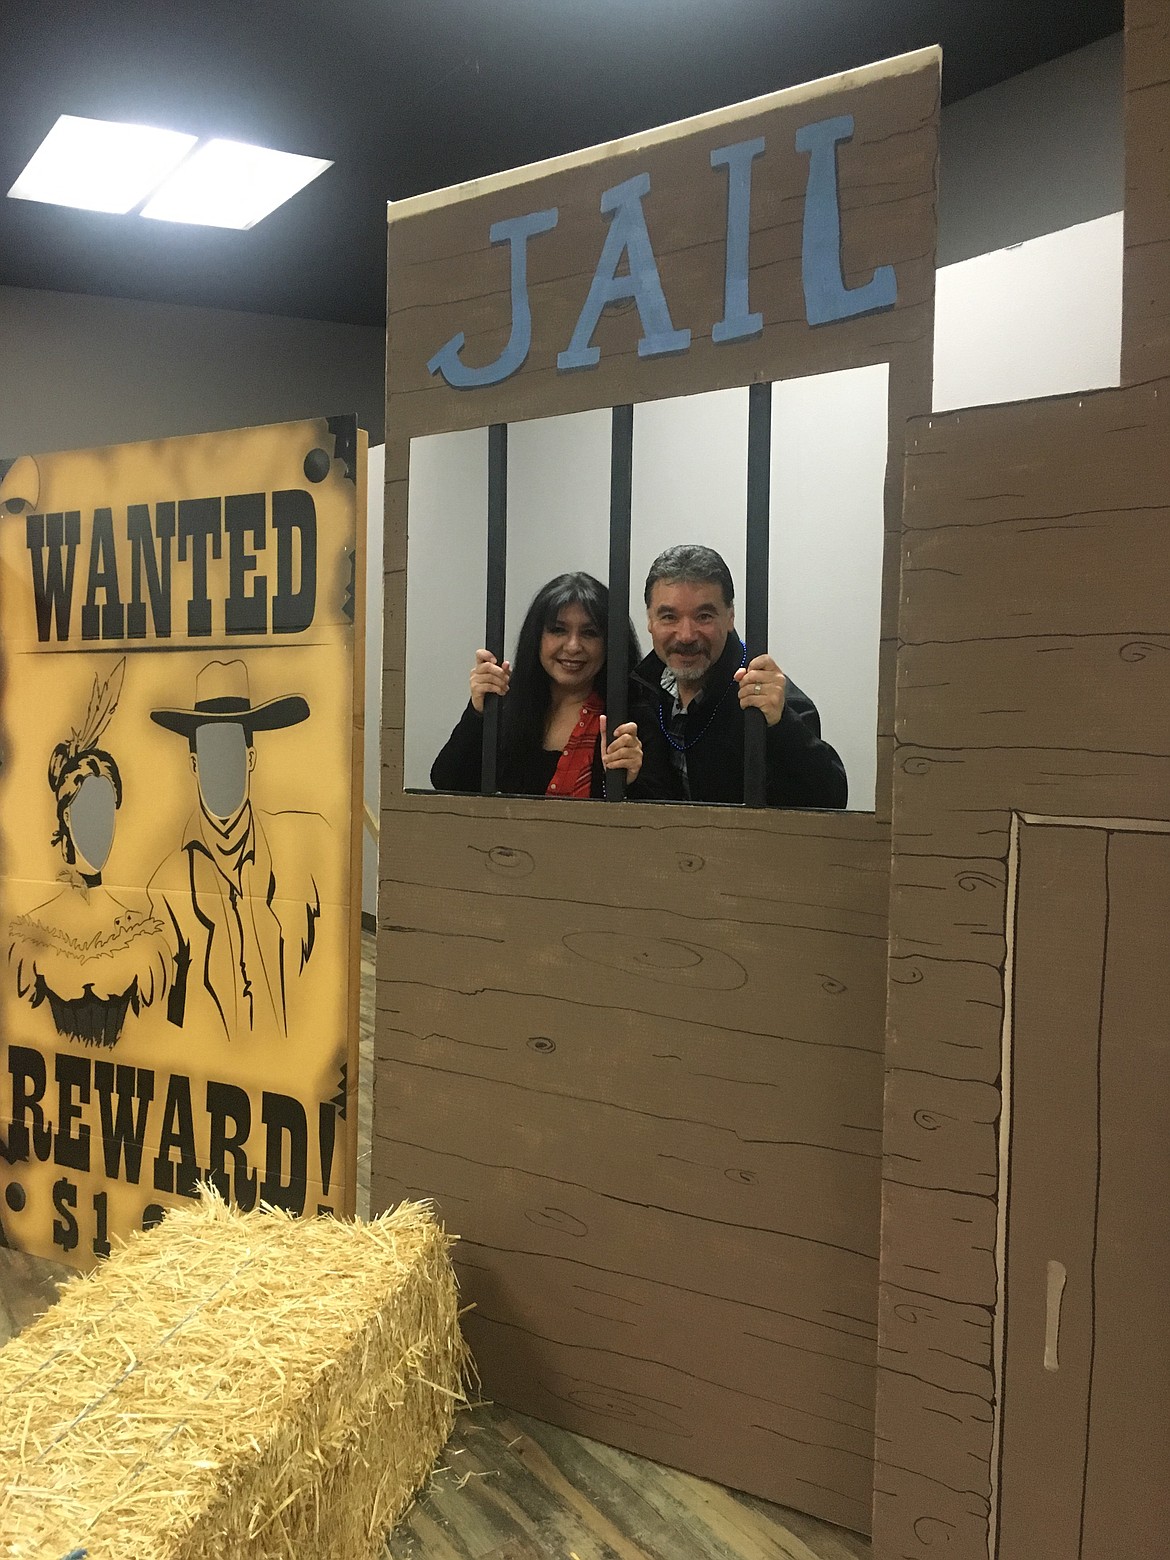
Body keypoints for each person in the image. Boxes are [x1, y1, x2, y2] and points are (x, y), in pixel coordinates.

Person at [147, 659, 327, 1039]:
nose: (222, 767)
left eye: (231, 752)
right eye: (211, 754)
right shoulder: (166, 885)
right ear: (194, 764)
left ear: (250, 759)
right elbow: (170, 1016)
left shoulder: (305, 845)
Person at [6, 658, 170, 1047]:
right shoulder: (29, 936)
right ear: (65, 817)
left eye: (106, 812)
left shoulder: (143, 938)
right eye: (86, 810)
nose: (100, 828)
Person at [630, 544, 847, 808]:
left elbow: (832, 800)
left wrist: (782, 726)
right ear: (650, 620)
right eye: (669, 617)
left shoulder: (766, 696)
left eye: (704, 616)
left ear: (730, 616)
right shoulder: (639, 692)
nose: (686, 635)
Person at [431, 572, 646, 798]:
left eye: (590, 633)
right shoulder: (507, 702)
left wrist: (629, 782)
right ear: (536, 637)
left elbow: (659, 819)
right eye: (558, 630)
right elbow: (447, 782)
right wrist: (477, 711)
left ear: (610, 642)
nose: (573, 646)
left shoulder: (632, 715)